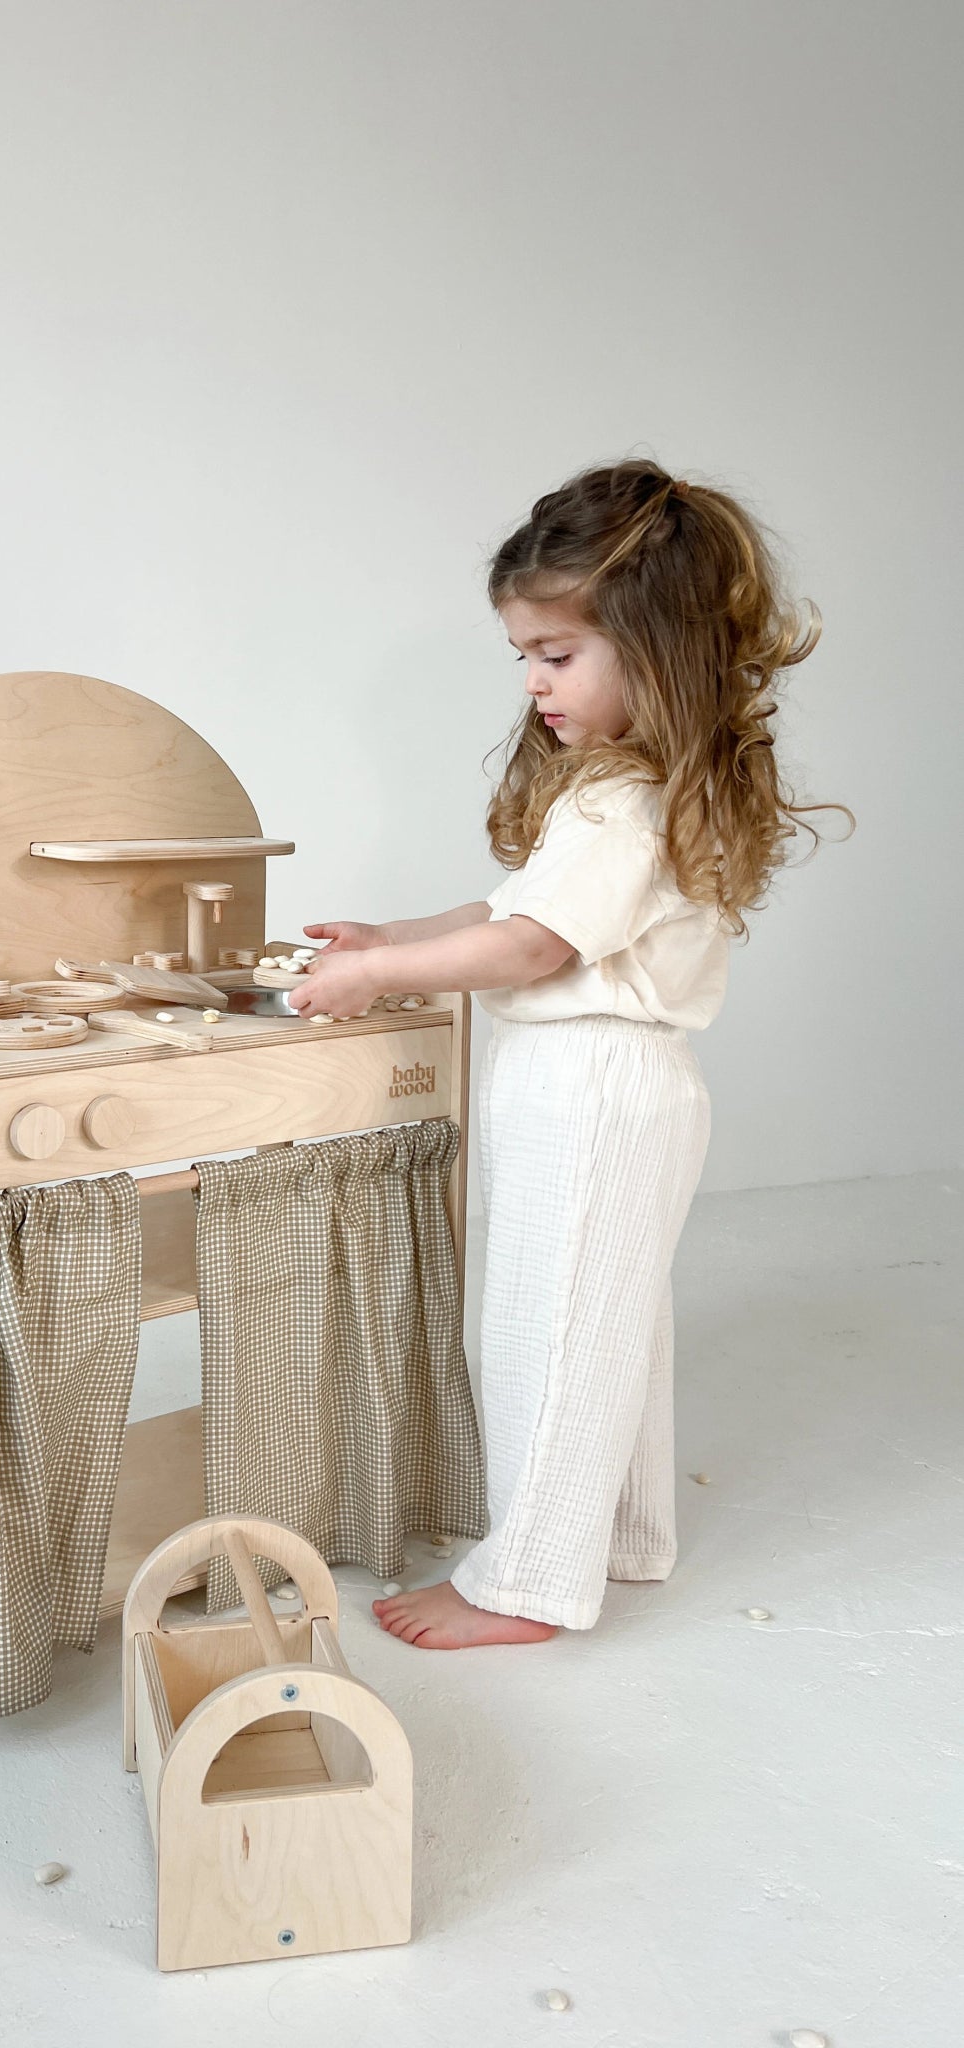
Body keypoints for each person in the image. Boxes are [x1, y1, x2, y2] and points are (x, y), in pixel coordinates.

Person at [289, 460, 846, 1648]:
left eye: (559, 651)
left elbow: (532, 947)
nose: (536, 680)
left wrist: (374, 976)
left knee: (548, 1327)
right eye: (525, 655)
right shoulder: (634, 794)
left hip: (590, 1087)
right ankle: (626, 1531)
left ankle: (527, 1579)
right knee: (613, 1318)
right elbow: (512, 911)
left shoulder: (620, 808)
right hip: (631, 1088)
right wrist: (395, 931)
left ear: (657, 649)